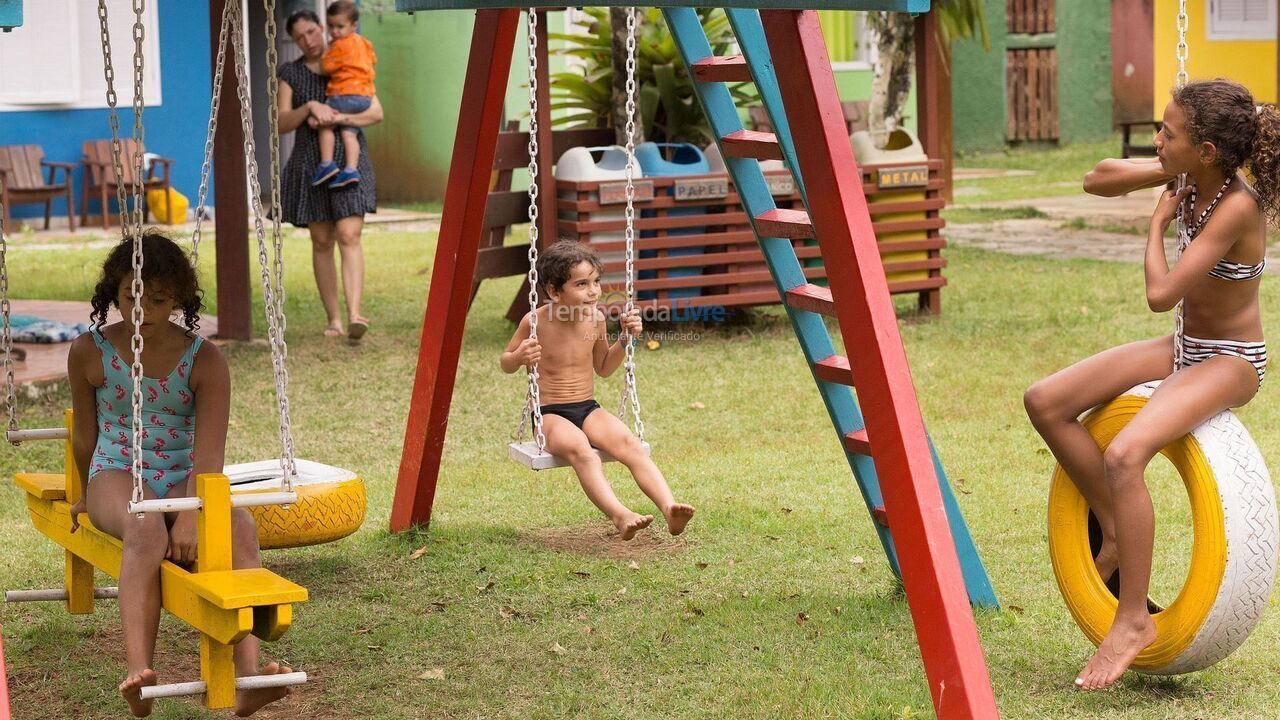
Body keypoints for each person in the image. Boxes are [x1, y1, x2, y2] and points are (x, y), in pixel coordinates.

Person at [1024, 79, 1280, 690]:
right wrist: (1158, 169)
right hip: (1184, 349)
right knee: (1046, 401)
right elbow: (1095, 180)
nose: (1157, 138)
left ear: (1209, 150)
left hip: (1229, 359)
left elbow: (1161, 296)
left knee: (1125, 452)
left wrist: (1156, 224)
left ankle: (1133, 618)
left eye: (1168, 133)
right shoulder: (1193, 174)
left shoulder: (1238, 206)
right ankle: (1114, 524)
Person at [66, 235, 293, 717]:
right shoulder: (89, 352)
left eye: (159, 299)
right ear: (115, 291)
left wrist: (193, 515)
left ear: (179, 300)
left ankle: (248, 677)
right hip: (115, 472)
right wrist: (84, 494)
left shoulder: (205, 360)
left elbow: (209, 453)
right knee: (144, 524)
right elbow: (85, 438)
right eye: (131, 296)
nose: (143, 309)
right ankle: (138, 674)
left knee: (238, 526)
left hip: (180, 478)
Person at [501, 240, 695, 540]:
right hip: (550, 415)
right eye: (581, 284)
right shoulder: (535, 322)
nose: (593, 291)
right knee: (582, 450)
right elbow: (506, 362)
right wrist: (518, 357)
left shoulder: (596, 319)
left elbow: (603, 367)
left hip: (587, 407)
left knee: (629, 444)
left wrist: (625, 339)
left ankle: (669, 507)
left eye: (596, 282)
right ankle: (621, 515)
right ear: (554, 291)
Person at [279, 8, 382, 342]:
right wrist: (310, 107)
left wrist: (337, 118)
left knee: (349, 235)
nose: (307, 41)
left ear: (321, 27)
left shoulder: (349, 55)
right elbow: (281, 123)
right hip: (312, 163)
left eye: (311, 32)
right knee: (322, 240)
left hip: (349, 159)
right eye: (299, 38)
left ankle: (355, 314)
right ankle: (334, 319)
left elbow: (376, 112)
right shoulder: (290, 73)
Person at [311, 0, 377, 190]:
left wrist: (324, 59)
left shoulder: (339, 45)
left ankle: (326, 164)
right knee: (349, 134)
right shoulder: (364, 43)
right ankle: (350, 170)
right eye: (331, 26)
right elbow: (373, 60)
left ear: (353, 25)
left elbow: (326, 68)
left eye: (340, 26)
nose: (335, 31)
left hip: (343, 94)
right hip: (364, 97)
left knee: (324, 123)